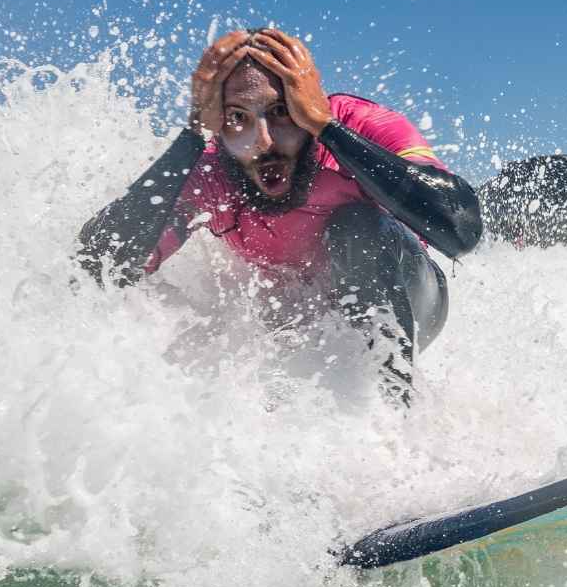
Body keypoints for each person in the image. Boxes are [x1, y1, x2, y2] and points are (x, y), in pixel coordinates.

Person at [78, 28, 482, 401]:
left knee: (355, 227)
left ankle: (391, 429)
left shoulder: (359, 124)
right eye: (238, 118)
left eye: (281, 112)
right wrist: (192, 135)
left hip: (414, 299)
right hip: (301, 321)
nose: (264, 141)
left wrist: (326, 128)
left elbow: (461, 230)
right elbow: (96, 268)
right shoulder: (212, 171)